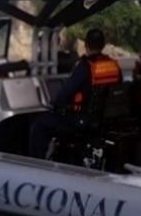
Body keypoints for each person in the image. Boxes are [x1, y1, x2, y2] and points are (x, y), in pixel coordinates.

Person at [28, 28, 123, 159]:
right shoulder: (114, 65)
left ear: (86, 45)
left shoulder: (85, 66)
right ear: (103, 45)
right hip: (106, 120)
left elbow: (63, 96)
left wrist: (57, 105)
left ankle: (37, 164)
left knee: (40, 124)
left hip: (83, 121)